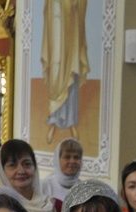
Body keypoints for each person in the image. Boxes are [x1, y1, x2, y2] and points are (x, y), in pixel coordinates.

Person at [0, 139, 64, 212]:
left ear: (35, 167)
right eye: (12, 165)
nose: (21, 171)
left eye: (27, 164)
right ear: (2, 171)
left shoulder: (56, 207)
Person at [42, 0, 87, 144]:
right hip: (56, 31)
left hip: (70, 34)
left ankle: (71, 121)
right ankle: (54, 120)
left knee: (70, 76)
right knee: (55, 76)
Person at [45, 138, 83, 202]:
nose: (72, 161)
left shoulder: (84, 189)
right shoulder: (46, 185)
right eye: (67, 157)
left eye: (76, 157)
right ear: (58, 160)